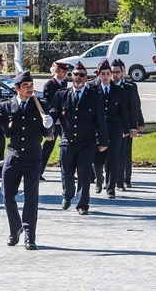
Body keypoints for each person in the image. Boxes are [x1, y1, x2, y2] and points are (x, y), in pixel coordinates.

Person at [0, 71, 53, 250]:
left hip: (32, 156)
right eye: (26, 86)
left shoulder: (41, 105)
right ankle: (15, 228)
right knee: (7, 194)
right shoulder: (6, 106)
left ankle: (30, 236)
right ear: (17, 88)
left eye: (31, 85)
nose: (30, 88)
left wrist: (49, 124)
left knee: (31, 197)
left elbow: (48, 135)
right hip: (14, 155)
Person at [49, 61, 108, 215]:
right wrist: (49, 129)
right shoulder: (62, 95)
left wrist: (103, 141)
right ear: (71, 76)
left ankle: (82, 204)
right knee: (67, 173)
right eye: (76, 74)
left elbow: (101, 120)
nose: (78, 78)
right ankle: (68, 195)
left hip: (86, 142)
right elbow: (53, 114)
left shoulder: (94, 96)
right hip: (67, 142)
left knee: (84, 174)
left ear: (86, 78)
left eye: (82, 75)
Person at [92, 59, 130, 198]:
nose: (106, 76)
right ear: (99, 75)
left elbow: (123, 111)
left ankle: (110, 188)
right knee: (97, 158)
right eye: (103, 74)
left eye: (108, 73)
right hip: (98, 129)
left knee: (112, 158)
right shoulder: (93, 88)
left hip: (114, 129)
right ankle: (99, 180)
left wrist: (126, 129)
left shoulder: (118, 90)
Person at [113, 59, 144, 189]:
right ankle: (112, 179)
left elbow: (135, 106)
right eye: (113, 72)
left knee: (125, 153)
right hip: (112, 125)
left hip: (126, 125)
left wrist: (137, 123)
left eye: (118, 72)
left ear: (124, 72)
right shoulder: (108, 86)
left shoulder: (130, 87)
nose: (115, 75)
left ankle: (126, 179)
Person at [40, 59, 70, 178]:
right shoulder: (49, 85)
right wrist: (54, 118)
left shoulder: (64, 84)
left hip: (63, 120)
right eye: (63, 71)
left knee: (67, 145)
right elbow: (49, 104)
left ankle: (68, 171)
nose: (65, 73)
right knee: (48, 146)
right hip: (54, 121)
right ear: (56, 71)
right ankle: (39, 171)